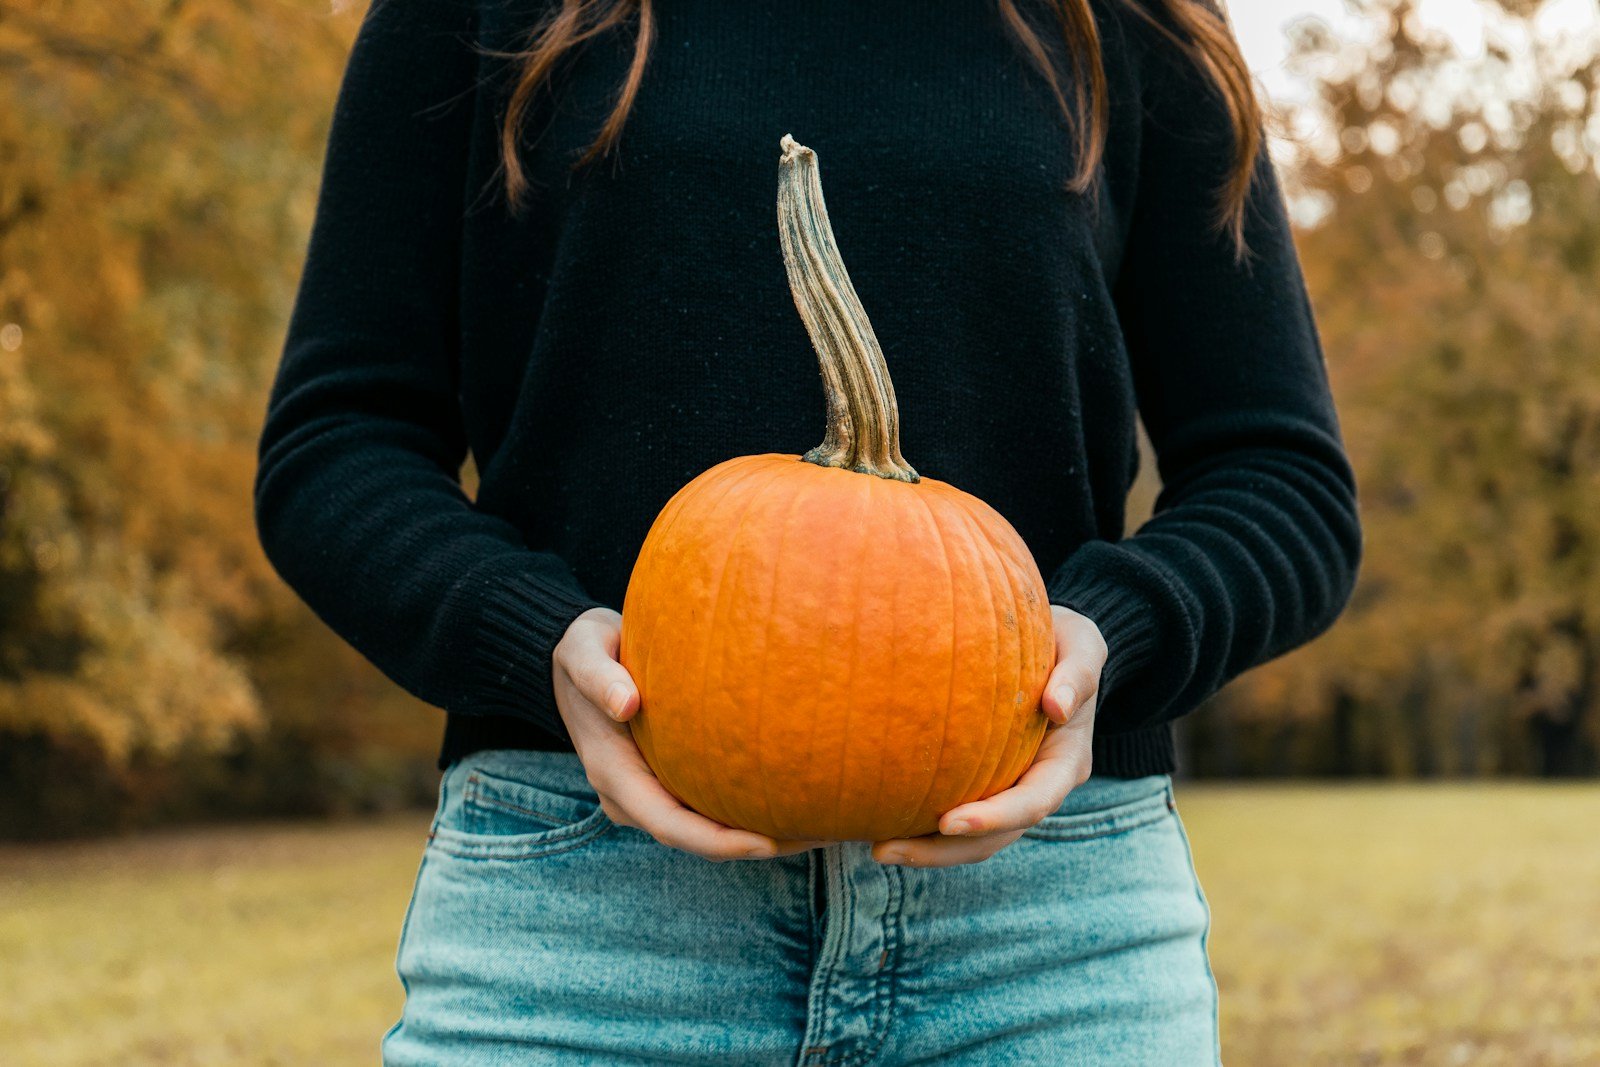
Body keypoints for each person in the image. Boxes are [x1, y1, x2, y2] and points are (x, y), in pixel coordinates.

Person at [253, 0, 1363, 1062]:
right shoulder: (493, 9)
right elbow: (337, 445)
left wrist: (1105, 644)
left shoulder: (1127, 18)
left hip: (1047, 931)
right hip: (587, 920)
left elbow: (1281, 480)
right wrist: (537, 639)